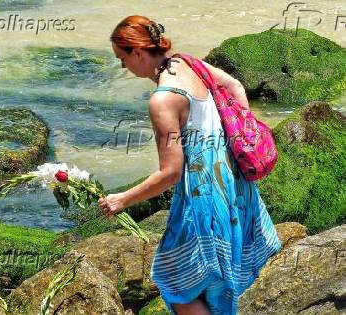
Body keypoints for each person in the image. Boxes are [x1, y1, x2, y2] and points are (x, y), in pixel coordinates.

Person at [98, 15, 282, 315]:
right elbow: (234, 85)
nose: (124, 67)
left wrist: (123, 199)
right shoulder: (189, 63)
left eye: (122, 59)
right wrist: (243, 136)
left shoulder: (163, 100)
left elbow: (170, 172)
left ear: (139, 52)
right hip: (236, 185)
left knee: (175, 284)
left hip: (203, 200)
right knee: (227, 279)